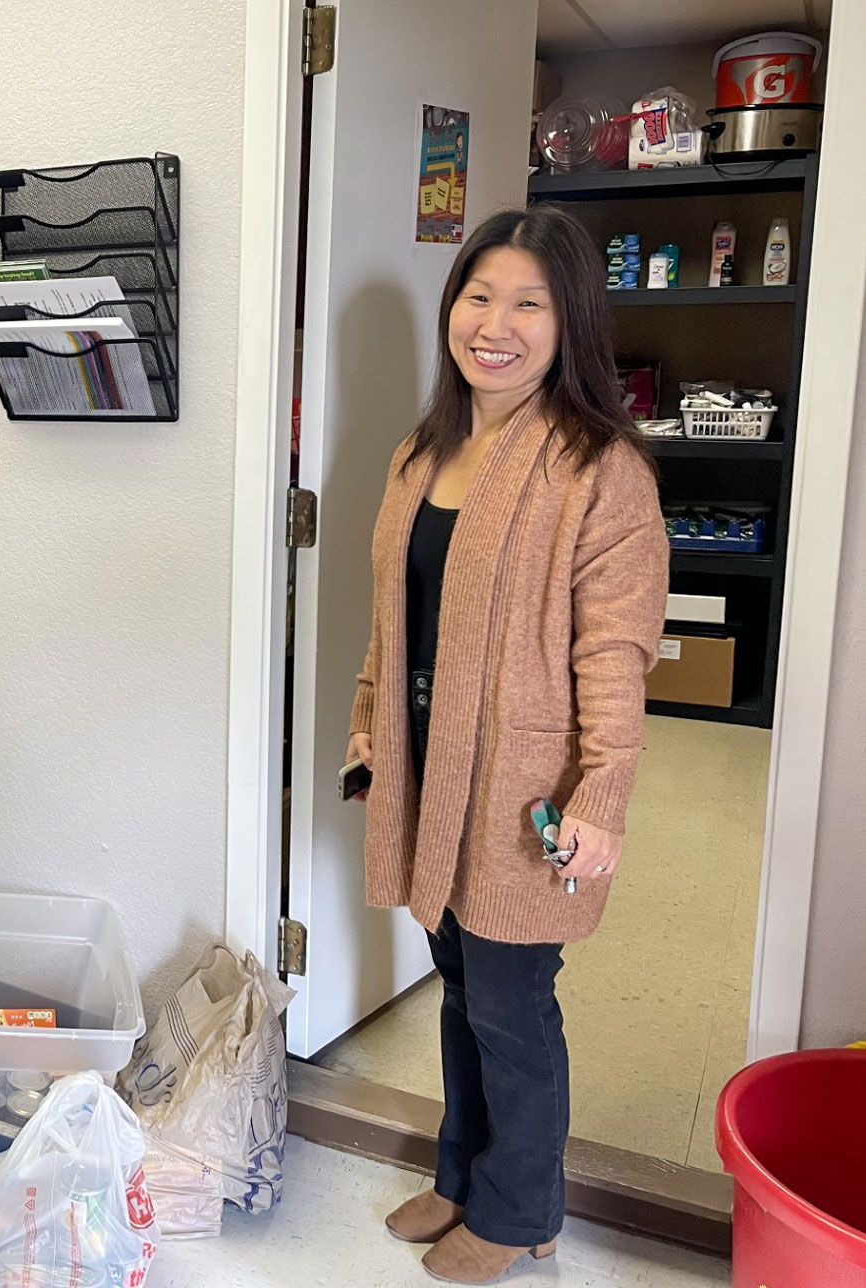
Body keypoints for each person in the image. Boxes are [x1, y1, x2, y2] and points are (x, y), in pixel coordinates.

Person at [344, 205, 668, 1284]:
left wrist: (599, 794)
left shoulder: (596, 467)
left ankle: (522, 1207)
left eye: (528, 302)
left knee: (511, 1004)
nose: (495, 322)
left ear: (566, 322)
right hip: (431, 768)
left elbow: (614, 650)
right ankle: (462, 1175)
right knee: (460, 986)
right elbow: (390, 617)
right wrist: (366, 726)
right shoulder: (420, 451)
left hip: (524, 787)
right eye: (478, 295)